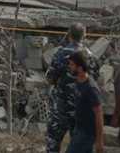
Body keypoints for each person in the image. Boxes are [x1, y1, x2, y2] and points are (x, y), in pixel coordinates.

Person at [46, 22, 97, 153]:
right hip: (82, 109)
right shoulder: (90, 56)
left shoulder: (61, 53)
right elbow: (94, 80)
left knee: (53, 141)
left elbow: (50, 78)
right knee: (79, 145)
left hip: (61, 107)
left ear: (69, 35)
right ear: (84, 36)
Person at [65, 51, 104, 153]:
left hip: (87, 133)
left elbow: (99, 115)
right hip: (79, 128)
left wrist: (99, 141)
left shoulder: (91, 88)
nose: (69, 66)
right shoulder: (78, 80)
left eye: (72, 64)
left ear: (80, 68)